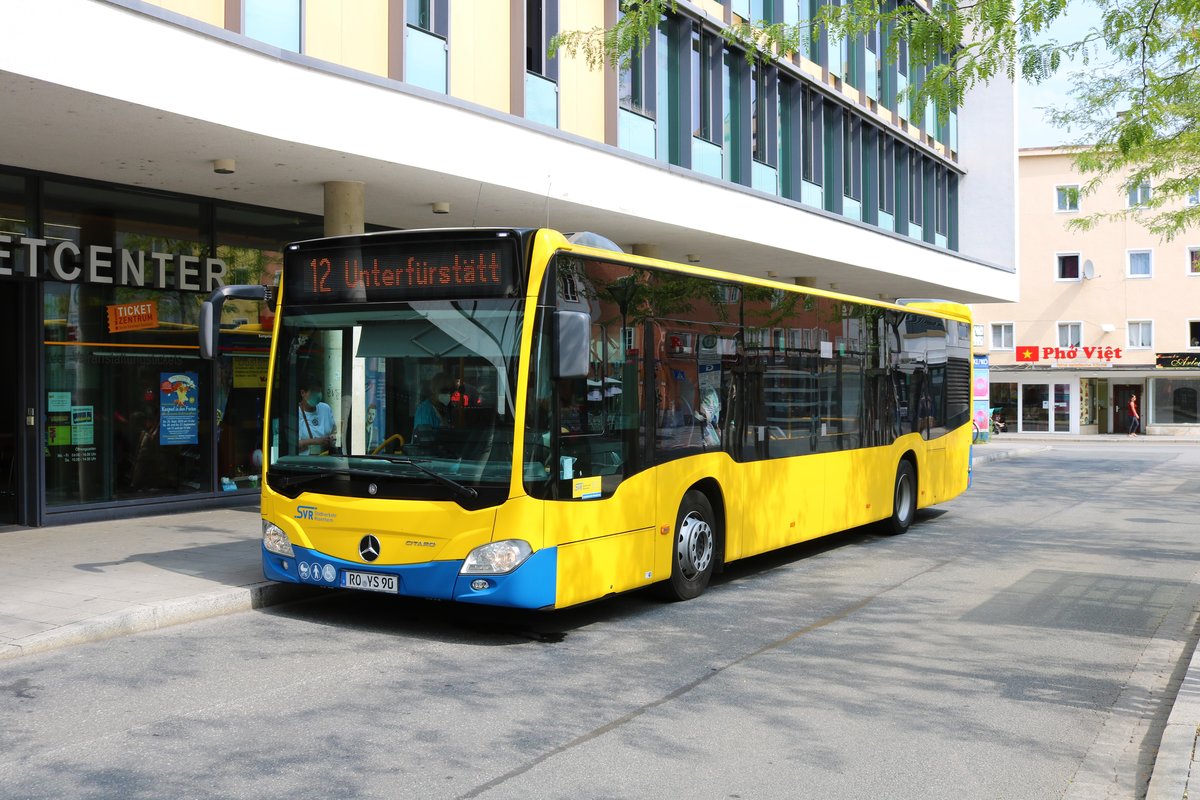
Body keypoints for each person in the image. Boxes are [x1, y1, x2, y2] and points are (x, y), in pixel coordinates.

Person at [298, 376, 336, 454]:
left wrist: (332, 437)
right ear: (303, 393)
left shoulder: (326, 408)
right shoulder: (296, 413)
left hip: (325, 459)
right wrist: (315, 441)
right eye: (313, 392)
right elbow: (293, 445)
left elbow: (334, 431)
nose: (317, 395)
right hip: (304, 462)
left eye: (319, 391)